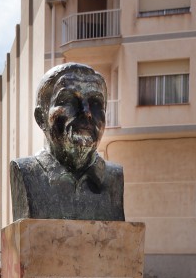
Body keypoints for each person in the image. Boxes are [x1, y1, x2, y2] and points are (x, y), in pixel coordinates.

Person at [10, 62, 124, 222]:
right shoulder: (26, 173)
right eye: (68, 100)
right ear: (41, 118)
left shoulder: (114, 177)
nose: (87, 113)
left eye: (96, 103)